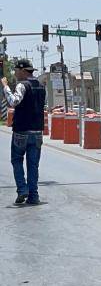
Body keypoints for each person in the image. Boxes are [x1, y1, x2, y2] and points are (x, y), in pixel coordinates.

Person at [2, 59, 46, 205]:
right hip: (37, 132)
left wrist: (5, 87)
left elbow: (14, 101)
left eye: (16, 70)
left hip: (21, 131)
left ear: (23, 70)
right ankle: (34, 196)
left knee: (16, 160)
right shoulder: (41, 86)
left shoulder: (22, 85)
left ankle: (22, 189)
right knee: (33, 165)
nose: (15, 73)